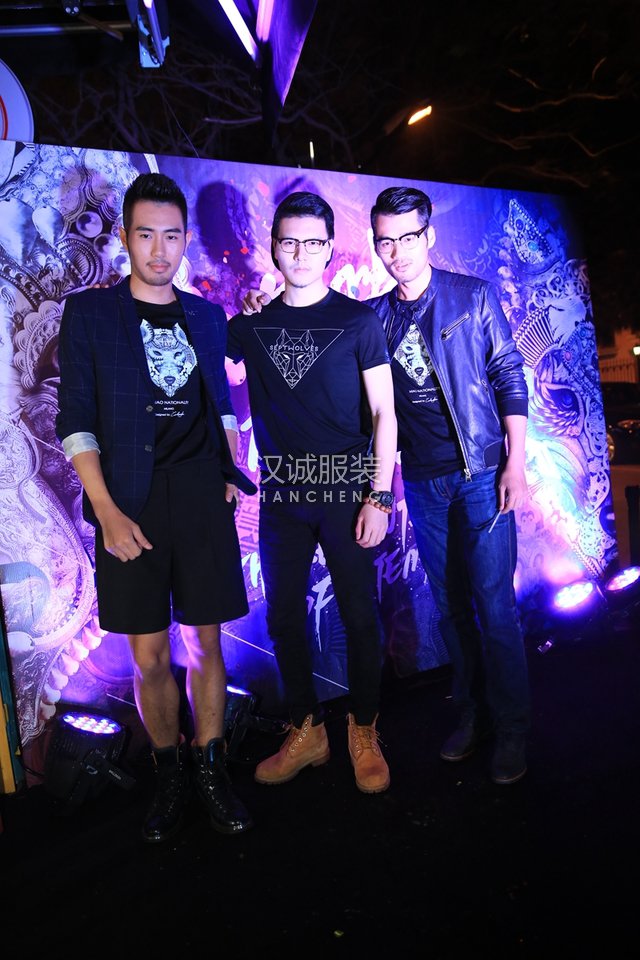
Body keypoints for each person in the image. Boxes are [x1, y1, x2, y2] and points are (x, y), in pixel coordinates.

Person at [243, 185, 531, 785]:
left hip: (480, 469)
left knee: (495, 605)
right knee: (450, 609)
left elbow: (507, 373)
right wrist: (262, 309)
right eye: (385, 241)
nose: (396, 251)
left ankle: (512, 729)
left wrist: (516, 461)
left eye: (408, 237)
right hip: (422, 479)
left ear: (429, 236)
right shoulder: (371, 315)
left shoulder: (471, 297)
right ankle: (472, 715)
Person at [56, 172, 256, 842]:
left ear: (185, 240)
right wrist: (107, 511)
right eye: (146, 234)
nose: (160, 249)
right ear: (125, 237)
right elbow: (75, 420)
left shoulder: (206, 316)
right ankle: (169, 773)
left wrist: (228, 467)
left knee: (205, 643)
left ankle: (210, 769)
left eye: (172, 236)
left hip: (199, 497)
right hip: (129, 504)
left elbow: (221, 404)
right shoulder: (91, 315)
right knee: (147, 655)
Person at [227, 190, 397, 794]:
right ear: (274, 248)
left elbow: (385, 413)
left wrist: (380, 496)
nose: (300, 252)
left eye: (312, 242)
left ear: (329, 249)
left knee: (358, 616)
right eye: (289, 241)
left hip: (348, 490)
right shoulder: (248, 326)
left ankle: (364, 730)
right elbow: (211, 381)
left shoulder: (358, 321)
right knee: (282, 618)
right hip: (281, 495)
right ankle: (308, 730)